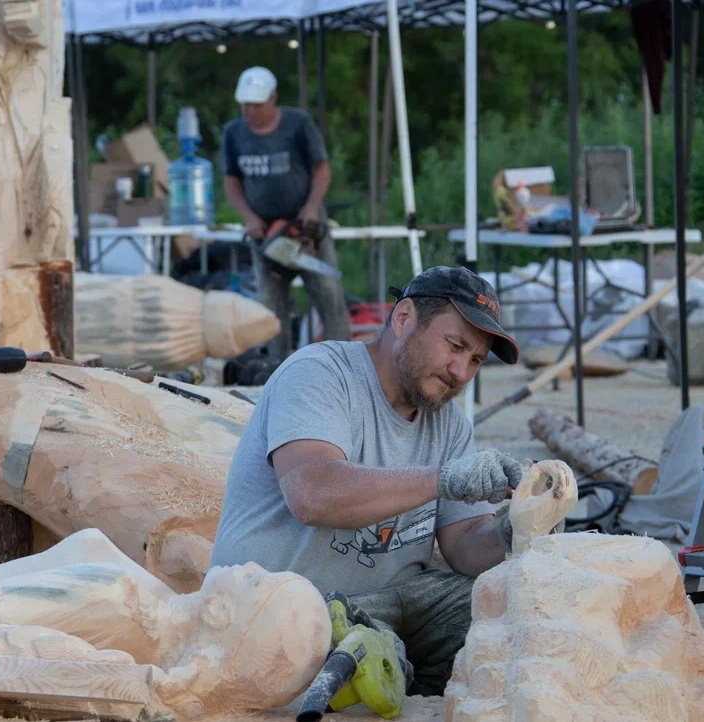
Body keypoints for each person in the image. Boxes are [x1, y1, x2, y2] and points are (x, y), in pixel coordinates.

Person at [210, 266, 562, 714]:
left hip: (403, 597)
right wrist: (442, 478)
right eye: (454, 346)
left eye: (475, 360)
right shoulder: (321, 373)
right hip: (289, 602)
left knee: (520, 610)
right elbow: (312, 493)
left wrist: (515, 529)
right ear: (403, 319)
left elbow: (463, 547)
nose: (460, 371)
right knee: (366, 659)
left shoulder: (449, 424)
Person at [221, 66, 351, 358]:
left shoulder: (297, 124)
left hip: (304, 230)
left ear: (273, 99)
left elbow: (321, 169)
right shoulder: (234, 133)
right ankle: (275, 368)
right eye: (245, 104)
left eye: (256, 104)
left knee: (329, 296)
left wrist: (312, 206)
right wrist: (249, 217)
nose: (250, 110)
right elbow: (231, 181)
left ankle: (344, 363)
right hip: (265, 234)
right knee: (269, 306)